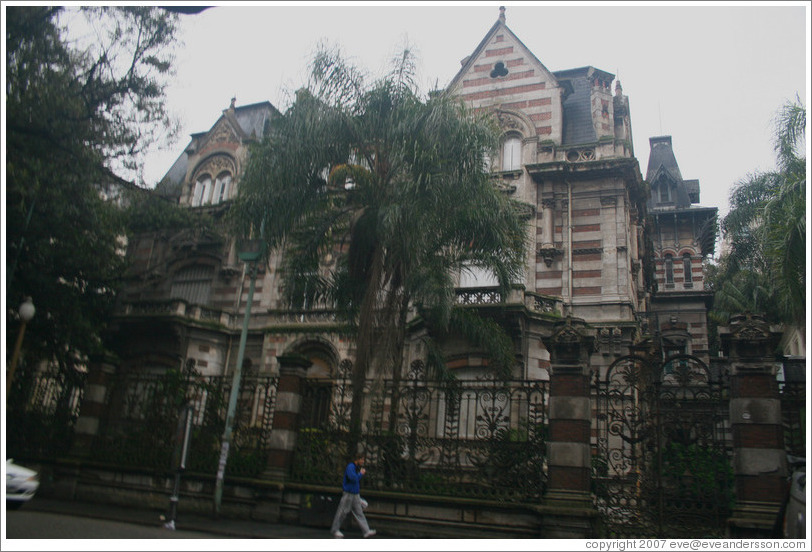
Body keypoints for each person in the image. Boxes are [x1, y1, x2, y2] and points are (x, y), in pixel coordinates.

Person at [330, 453, 376, 538]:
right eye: (362, 459)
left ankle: (366, 531)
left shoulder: (355, 467)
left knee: (359, 513)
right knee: (342, 512)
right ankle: (335, 529)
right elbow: (353, 478)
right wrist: (361, 474)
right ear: (357, 459)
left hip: (354, 494)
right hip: (349, 493)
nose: (363, 461)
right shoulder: (350, 467)